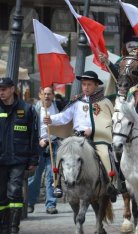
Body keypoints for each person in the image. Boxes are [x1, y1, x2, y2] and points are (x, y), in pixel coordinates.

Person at [43, 71, 118, 202]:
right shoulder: (76, 101)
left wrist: (93, 129)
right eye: (84, 84)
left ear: (96, 85)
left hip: (97, 138)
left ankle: (111, 184)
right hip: (76, 138)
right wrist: (51, 119)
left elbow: (110, 121)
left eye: (89, 84)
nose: (86, 87)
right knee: (60, 153)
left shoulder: (105, 102)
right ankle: (58, 185)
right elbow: (64, 117)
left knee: (105, 155)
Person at [0, 77, 39, 233]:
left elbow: (33, 137)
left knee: (15, 191)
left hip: (19, 159)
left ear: (12, 89)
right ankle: (3, 227)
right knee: (1, 195)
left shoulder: (27, 109)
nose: (1, 92)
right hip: (1, 159)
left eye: (4, 89)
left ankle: (14, 227)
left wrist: (33, 159)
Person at [27, 87, 59, 215]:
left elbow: (62, 125)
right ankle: (29, 203)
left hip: (53, 145)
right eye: (44, 94)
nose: (46, 96)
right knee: (35, 176)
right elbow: (30, 128)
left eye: (49, 94)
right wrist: (39, 139)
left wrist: (50, 140)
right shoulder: (34, 109)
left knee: (52, 176)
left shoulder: (58, 108)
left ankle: (51, 204)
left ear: (53, 95)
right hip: (38, 146)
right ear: (40, 95)